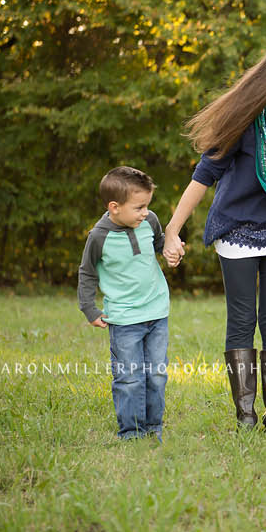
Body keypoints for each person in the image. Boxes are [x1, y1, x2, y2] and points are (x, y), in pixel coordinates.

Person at [162, 38, 266, 434]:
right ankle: (245, 416)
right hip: (237, 225)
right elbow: (205, 173)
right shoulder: (248, 113)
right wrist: (173, 228)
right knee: (241, 317)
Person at [77, 164, 170, 442]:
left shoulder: (149, 221)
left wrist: (172, 250)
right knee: (130, 379)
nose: (146, 213)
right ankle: (131, 432)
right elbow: (87, 272)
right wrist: (89, 308)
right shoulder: (99, 237)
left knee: (155, 375)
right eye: (139, 207)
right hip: (124, 319)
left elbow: (160, 244)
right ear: (114, 207)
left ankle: (153, 428)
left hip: (157, 312)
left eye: (146, 206)